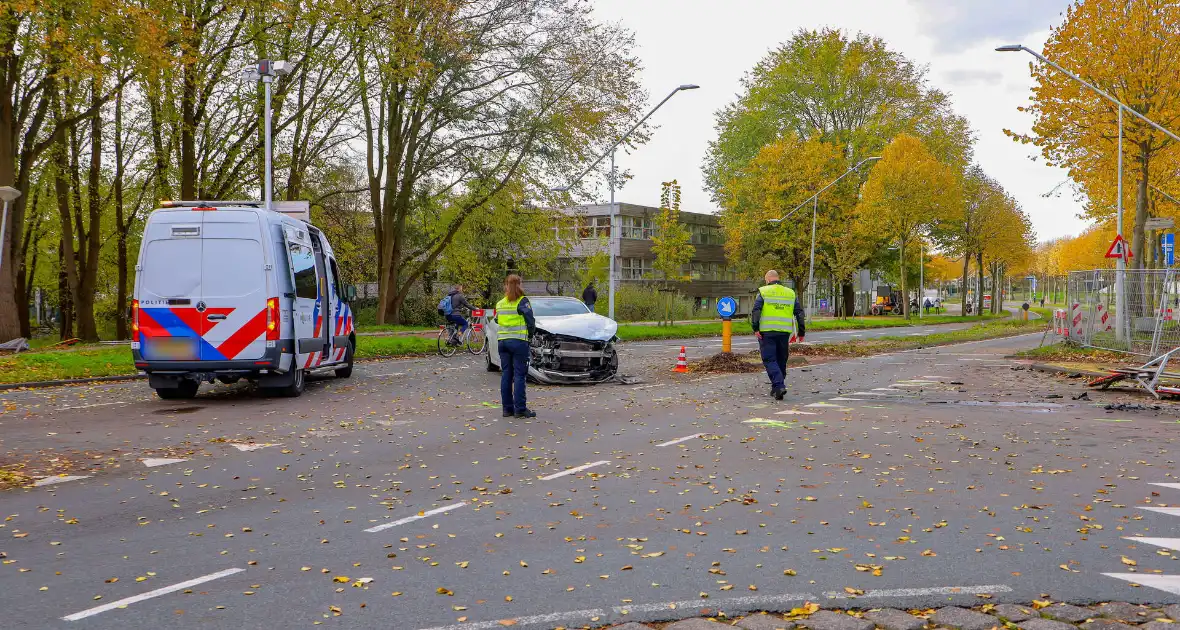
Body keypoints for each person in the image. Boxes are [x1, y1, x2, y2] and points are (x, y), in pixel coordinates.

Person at [750, 270, 806, 400]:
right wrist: (801, 331)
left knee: (769, 359)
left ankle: (779, 385)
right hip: (784, 332)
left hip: (767, 332)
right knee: (781, 359)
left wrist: (755, 327)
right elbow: (799, 313)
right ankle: (776, 388)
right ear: (778, 278)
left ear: (768, 279)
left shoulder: (764, 291)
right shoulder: (790, 293)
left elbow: (756, 310)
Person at [496, 274, 537, 418]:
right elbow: (530, 321)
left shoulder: (500, 303)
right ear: (519, 285)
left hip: (503, 342)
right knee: (519, 375)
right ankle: (520, 409)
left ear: (506, 285)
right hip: (519, 342)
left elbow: (496, 320)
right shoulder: (522, 301)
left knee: (506, 375)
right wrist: (530, 336)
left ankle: (507, 409)